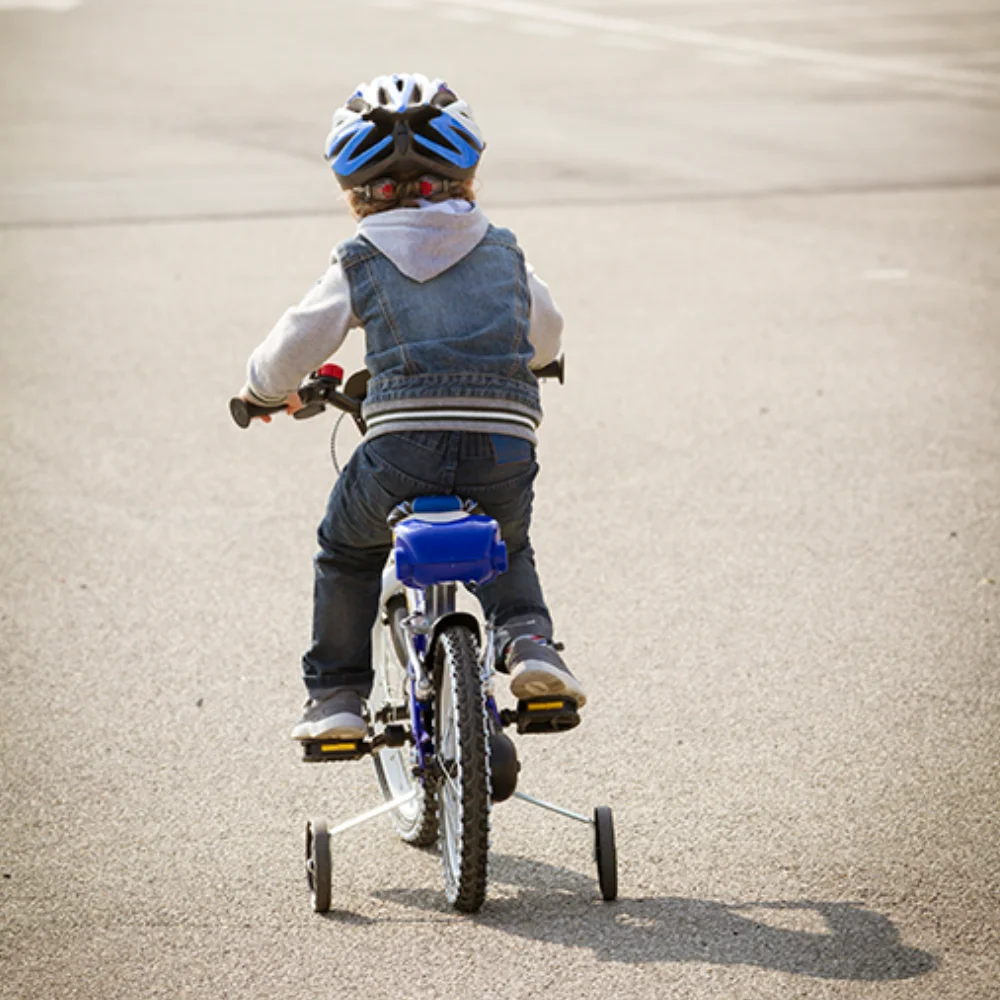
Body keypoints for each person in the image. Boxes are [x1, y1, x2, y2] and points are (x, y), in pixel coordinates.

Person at [238, 73, 586, 741]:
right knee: (507, 543)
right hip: (503, 445)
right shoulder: (505, 250)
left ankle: (337, 696)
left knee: (346, 548)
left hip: (401, 451)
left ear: (356, 189)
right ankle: (530, 645)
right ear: (466, 171)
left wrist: (261, 390)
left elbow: (293, 346)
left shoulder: (360, 258)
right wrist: (538, 360)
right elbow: (548, 327)